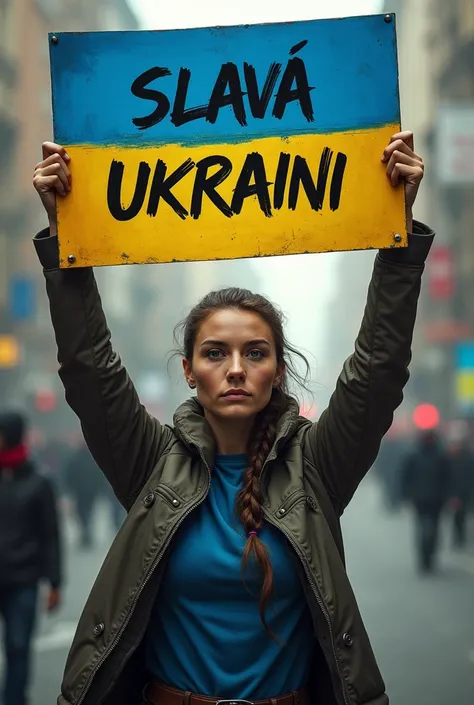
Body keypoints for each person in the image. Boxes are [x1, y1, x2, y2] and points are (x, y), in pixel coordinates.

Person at [32, 132, 432, 705]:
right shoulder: (150, 463)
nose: (237, 369)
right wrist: (63, 235)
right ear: (190, 371)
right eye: (216, 353)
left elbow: (378, 368)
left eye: (256, 352)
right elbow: (88, 367)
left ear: (277, 369)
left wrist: (400, 235)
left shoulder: (316, 466)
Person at [0, 410, 62, 705]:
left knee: (18, 645)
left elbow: (51, 535)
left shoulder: (40, 481)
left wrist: (55, 583)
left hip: (23, 581)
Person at [401, 429, 450, 573]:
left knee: (431, 529)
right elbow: (406, 477)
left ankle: (429, 556)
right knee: (425, 529)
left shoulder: (440, 457)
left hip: (434, 500)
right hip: (422, 500)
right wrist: (407, 494)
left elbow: (447, 479)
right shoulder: (415, 456)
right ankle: (425, 557)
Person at [446, 424, 474, 549]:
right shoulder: (448, 459)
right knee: (457, 516)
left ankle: (460, 537)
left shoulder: (468, 458)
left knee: (461, 516)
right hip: (454, 492)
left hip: (465, 492)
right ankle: (458, 537)